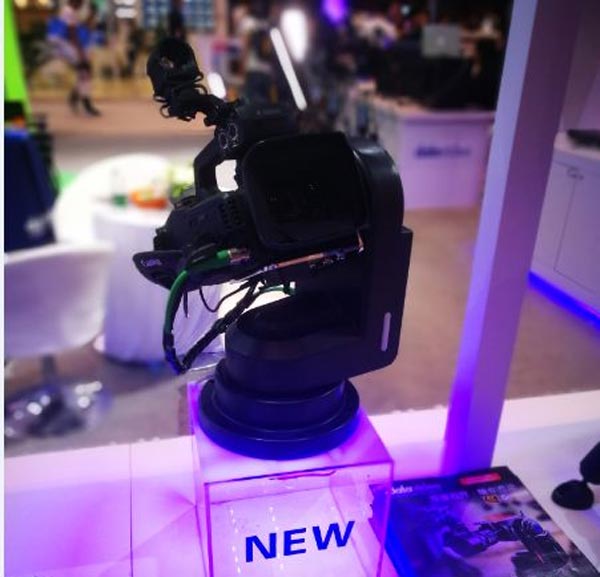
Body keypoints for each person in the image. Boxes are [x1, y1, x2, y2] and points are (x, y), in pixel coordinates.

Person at [47, 0, 101, 116]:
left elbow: (78, 30)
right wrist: (80, 52)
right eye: (81, 2)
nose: (82, 4)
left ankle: (76, 97)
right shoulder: (69, 12)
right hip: (67, 47)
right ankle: (85, 102)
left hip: (67, 47)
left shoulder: (69, 12)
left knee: (84, 73)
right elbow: (72, 35)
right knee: (85, 71)